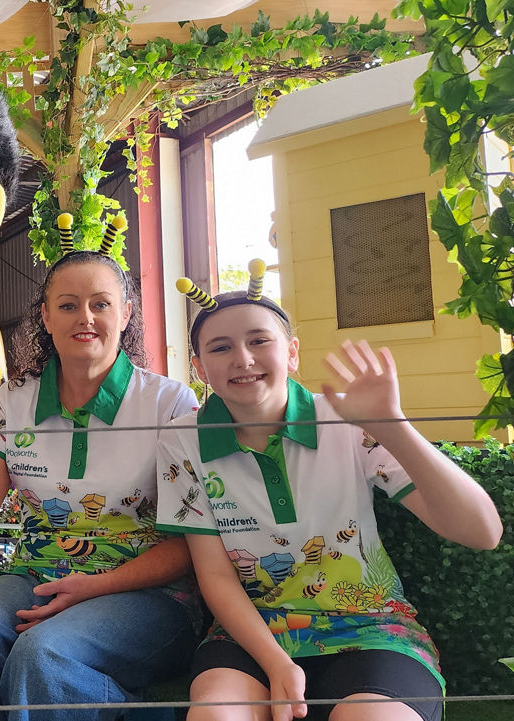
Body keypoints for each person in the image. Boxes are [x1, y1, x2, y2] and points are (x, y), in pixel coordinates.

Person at [157, 278, 503, 721]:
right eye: (220, 348)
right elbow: (216, 576)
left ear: (292, 352)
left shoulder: (345, 419)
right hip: (250, 635)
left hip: (372, 630)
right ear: (200, 368)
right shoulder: (182, 440)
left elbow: (483, 532)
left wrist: (389, 423)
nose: (243, 358)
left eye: (259, 340)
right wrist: (278, 664)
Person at [0, 248, 204, 721]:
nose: (86, 317)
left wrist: (93, 587)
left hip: (151, 594)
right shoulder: (12, 401)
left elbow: (187, 545)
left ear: (126, 313)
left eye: (101, 303)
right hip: (35, 577)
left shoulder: (168, 402)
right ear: (46, 317)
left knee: (43, 654)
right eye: (69, 305)